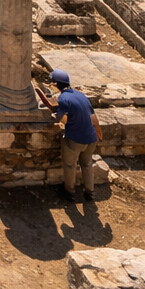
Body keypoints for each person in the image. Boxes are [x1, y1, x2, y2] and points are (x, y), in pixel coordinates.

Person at [51, 69, 101, 201]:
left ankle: (69, 191)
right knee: (86, 164)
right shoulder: (81, 95)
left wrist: (53, 115)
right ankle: (89, 191)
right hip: (91, 137)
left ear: (56, 84)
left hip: (76, 139)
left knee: (69, 164)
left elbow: (58, 118)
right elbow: (93, 116)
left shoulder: (63, 98)